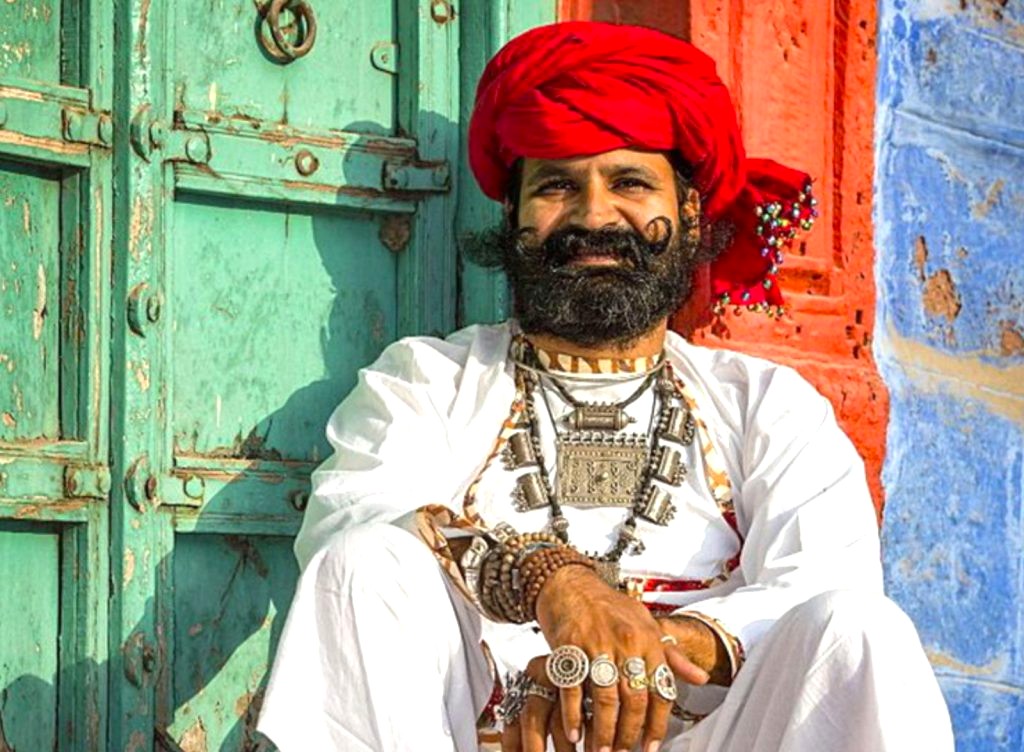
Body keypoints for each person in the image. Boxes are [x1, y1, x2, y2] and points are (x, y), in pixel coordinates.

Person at [258, 21, 953, 752]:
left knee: (862, 630)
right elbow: (350, 519)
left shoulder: (766, 406)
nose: (593, 216)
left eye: (629, 182)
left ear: (688, 213)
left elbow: (820, 581)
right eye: (557, 185)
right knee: (364, 563)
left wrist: (630, 658)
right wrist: (553, 584)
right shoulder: (429, 380)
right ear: (514, 216)